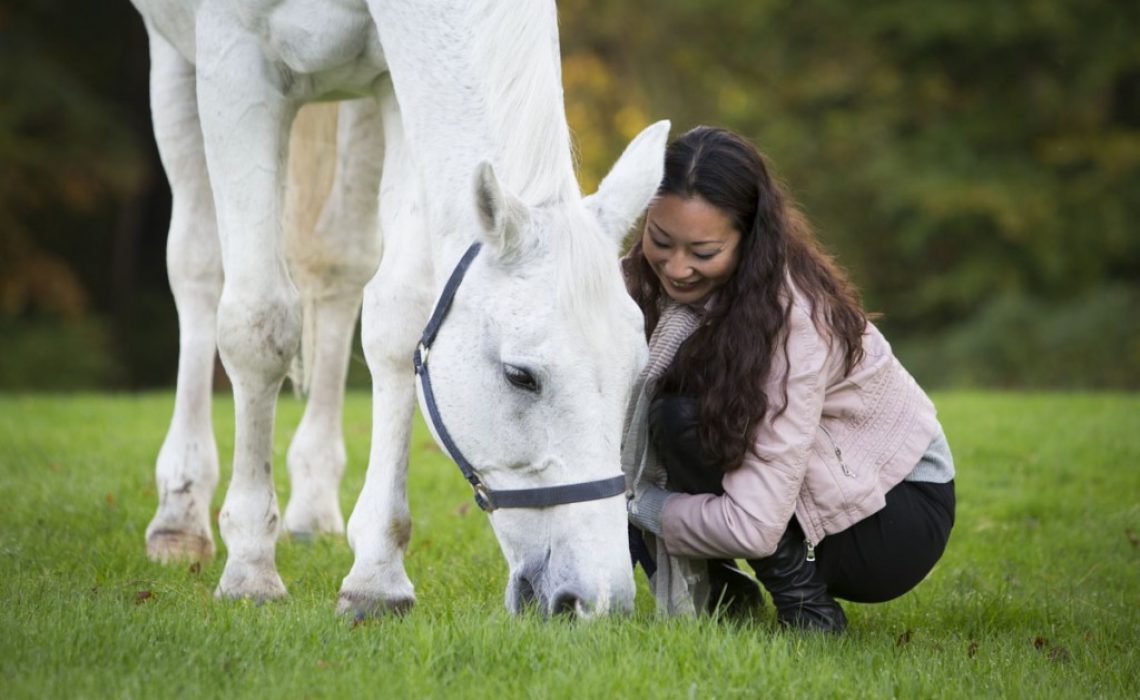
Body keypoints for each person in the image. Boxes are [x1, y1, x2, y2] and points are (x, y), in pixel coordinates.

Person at [622, 126, 955, 633]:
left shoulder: (794, 320)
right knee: (652, 412)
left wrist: (636, 504)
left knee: (682, 417)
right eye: (660, 240)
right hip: (824, 479)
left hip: (896, 511)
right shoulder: (640, 280)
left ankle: (806, 606)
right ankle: (721, 594)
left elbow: (754, 525)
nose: (677, 267)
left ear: (749, 239)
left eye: (704, 252)